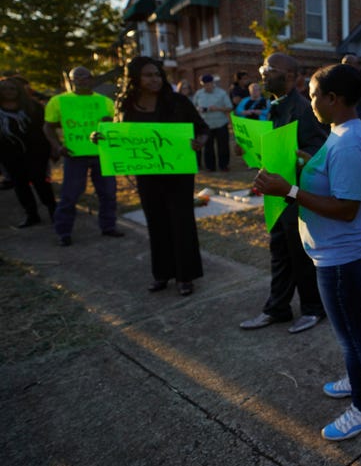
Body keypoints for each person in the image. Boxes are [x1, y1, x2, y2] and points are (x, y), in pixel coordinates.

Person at [253, 63, 361, 441]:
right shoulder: (342, 132)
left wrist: (289, 191)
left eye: (312, 95)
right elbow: (333, 179)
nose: (309, 102)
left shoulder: (347, 142)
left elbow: (346, 209)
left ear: (333, 98)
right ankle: (355, 376)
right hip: (341, 254)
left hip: (343, 257)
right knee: (353, 329)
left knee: (351, 334)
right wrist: (303, 162)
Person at [239, 52, 328, 334]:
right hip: (277, 194)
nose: (262, 72)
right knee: (279, 252)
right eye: (262, 67)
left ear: (289, 76)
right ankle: (277, 308)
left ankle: (313, 309)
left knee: (300, 255)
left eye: (269, 68)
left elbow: (319, 148)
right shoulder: (273, 105)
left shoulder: (302, 108)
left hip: (295, 194)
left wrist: (302, 158)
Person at [115, 57, 208, 296]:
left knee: (181, 221)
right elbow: (118, 135)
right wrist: (101, 138)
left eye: (157, 74)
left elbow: (202, 129)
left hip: (178, 173)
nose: (155, 79)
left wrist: (199, 142)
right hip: (147, 174)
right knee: (156, 222)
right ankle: (162, 274)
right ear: (134, 78)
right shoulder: (126, 105)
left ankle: (185, 276)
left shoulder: (177, 101)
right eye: (148, 75)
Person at [43, 66, 123, 246]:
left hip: (101, 154)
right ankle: (63, 232)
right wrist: (57, 146)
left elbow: (113, 127)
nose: (80, 81)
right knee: (70, 195)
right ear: (70, 81)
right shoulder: (58, 101)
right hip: (74, 155)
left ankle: (108, 226)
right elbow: (48, 126)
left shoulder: (105, 102)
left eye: (84, 77)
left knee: (108, 193)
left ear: (92, 79)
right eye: (75, 78)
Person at [0, 76, 56, 227]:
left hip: (36, 151)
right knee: (20, 184)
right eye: (4, 89)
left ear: (19, 90)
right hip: (9, 154)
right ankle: (31, 214)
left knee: (40, 181)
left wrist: (52, 147)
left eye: (12, 88)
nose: (9, 92)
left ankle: (53, 210)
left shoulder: (33, 107)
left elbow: (46, 127)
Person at [192, 74, 232, 172]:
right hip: (206, 124)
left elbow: (229, 107)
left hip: (220, 123)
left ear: (212, 83)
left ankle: (224, 165)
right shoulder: (198, 94)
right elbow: (193, 107)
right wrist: (198, 109)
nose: (207, 86)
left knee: (223, 146)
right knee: (208, 147)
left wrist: (217, 108)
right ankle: (210, 167)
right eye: (205, 84)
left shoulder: (222, 93)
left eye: (209, 84)